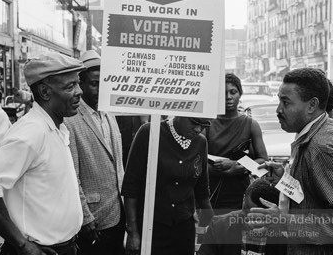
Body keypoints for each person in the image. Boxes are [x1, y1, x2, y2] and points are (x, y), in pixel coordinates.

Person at [0, 52, 86, 255]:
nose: (79, 92)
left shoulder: (56, 128)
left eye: (77, 83)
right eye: (70, 86)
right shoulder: (32, 132)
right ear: (45, 92)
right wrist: (23, 245)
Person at [253, 68, 333, 255]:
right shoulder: (312, 132)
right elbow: (310, 195)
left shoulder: (324, 146)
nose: (278, 110)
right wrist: (284, 180)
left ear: (311, 105)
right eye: (279, 100)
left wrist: (284, 222)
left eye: (286, 102)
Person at [122, 116, 214, 255]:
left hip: (184, 229)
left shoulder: (201, 142)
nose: (198, 129)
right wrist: (132, 232)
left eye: (204, 125)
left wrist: (211, 222)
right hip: (151, 227)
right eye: (194, 123)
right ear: (179, 114)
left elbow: (202, 189)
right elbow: (131, 186)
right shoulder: (149, 133)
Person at [64, 50, 126, 255]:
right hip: (92, 220)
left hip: (117, 213)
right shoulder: (70, 120)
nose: (101, 89)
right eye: (94, 83)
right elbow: (72, 175)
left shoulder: (109, 111)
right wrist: (86, 216)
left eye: (104, 82)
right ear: (80, 84)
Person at [206, 73, 268, 214]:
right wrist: (226, 171)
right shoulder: (207, 123)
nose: (228, 97)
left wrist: (235, 165)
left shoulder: (251, 124)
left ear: (240, 94)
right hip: (210, 192)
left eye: (233, 92)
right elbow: (196, 162)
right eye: (224, 93)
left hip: (240, 193)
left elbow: (263, 161)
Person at [198, 178, 286, 255]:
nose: (249, 218)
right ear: (243, 198)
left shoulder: (282, 234)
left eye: (257, 215)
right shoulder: (219, 226)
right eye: (246, 209)